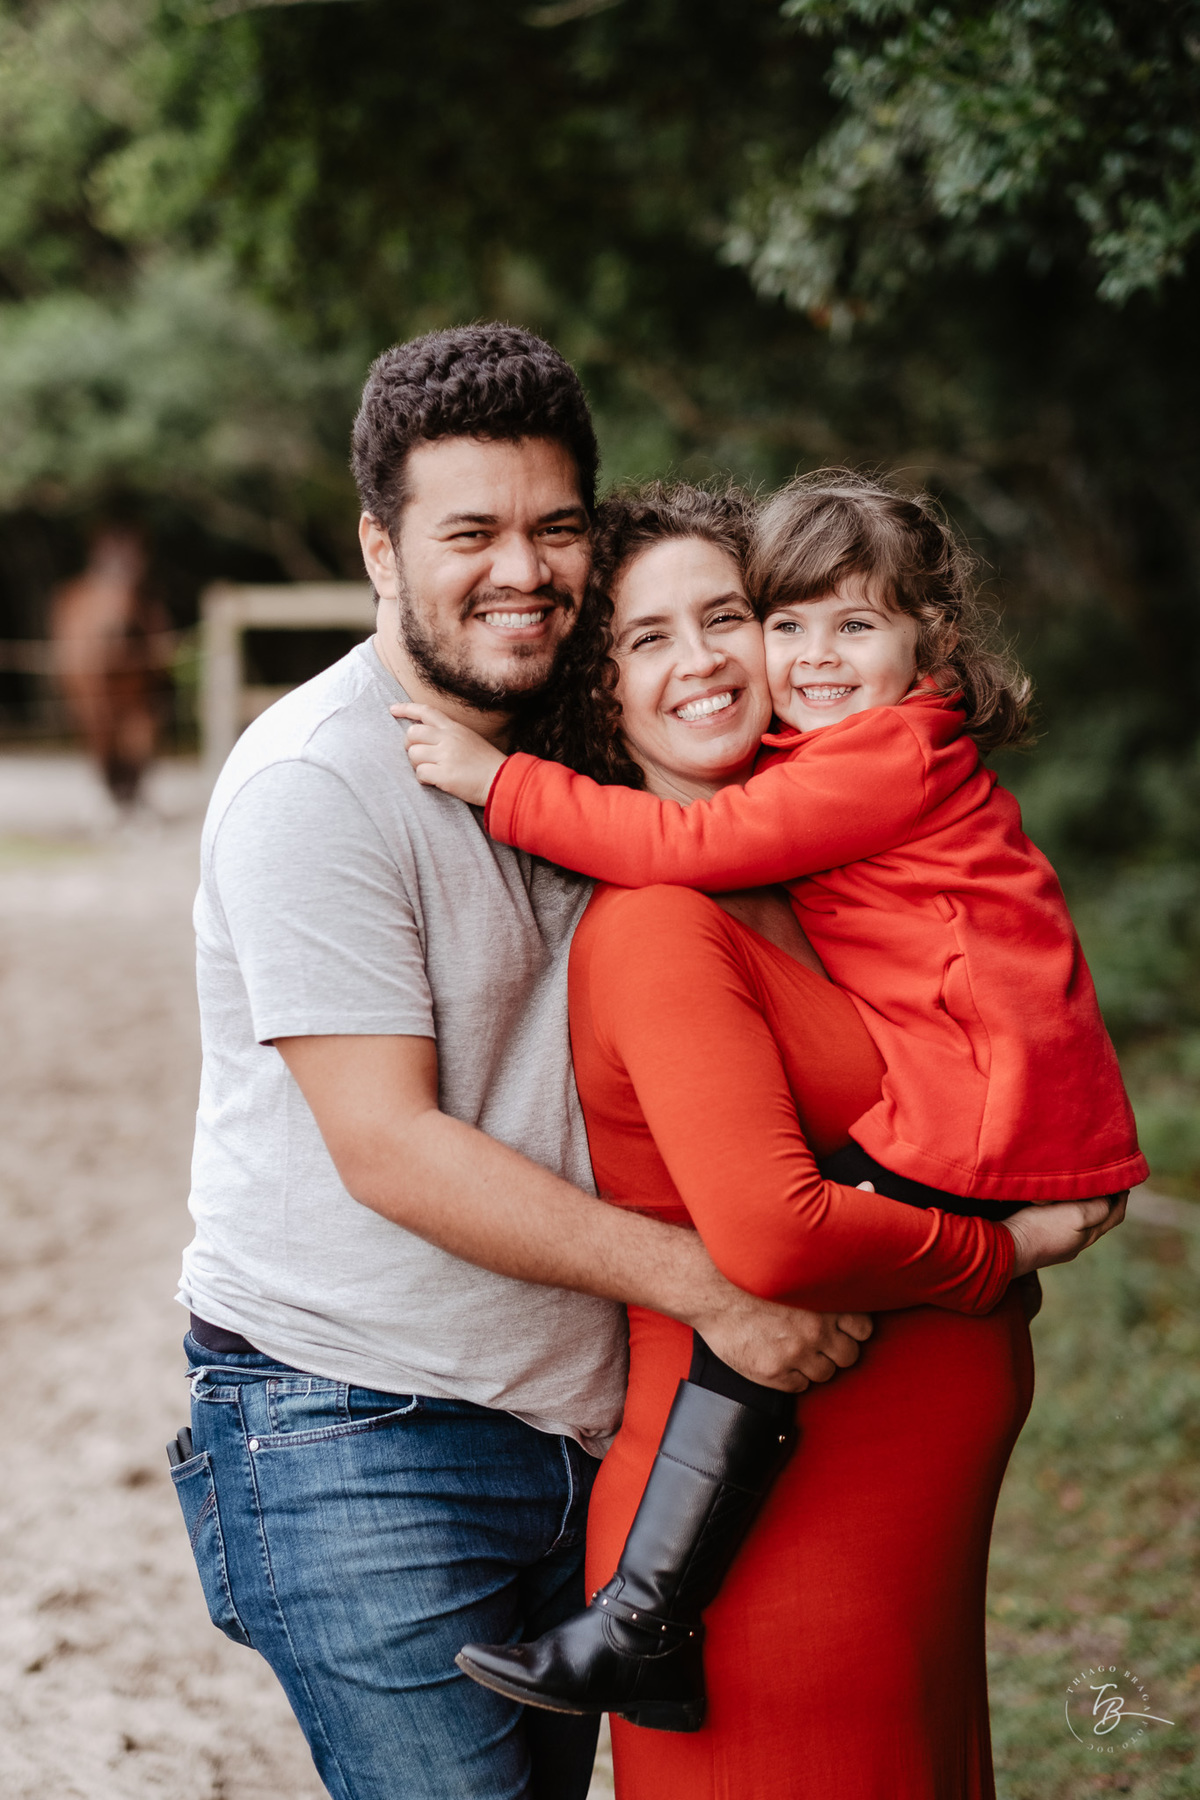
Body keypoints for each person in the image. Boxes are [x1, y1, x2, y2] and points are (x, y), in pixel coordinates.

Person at [170, 329, 875, 1800]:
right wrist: (711, 1288)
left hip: (582, 1419)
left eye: (556, 527)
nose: (522, 569)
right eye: (469, 533)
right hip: (358, 1431)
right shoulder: (316, 784)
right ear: (381, 548)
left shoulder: (587, 758)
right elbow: (390, 1147)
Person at [396, 482, 1127, 1796]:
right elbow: (778, 1237)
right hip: (784, 1545)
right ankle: (633, 1621)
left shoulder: (827, 869)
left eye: (727, 616)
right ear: (598, 690)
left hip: (901, 1537)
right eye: (648, 638)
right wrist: (998, 1249)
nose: (709, 661)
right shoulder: (667, 919)